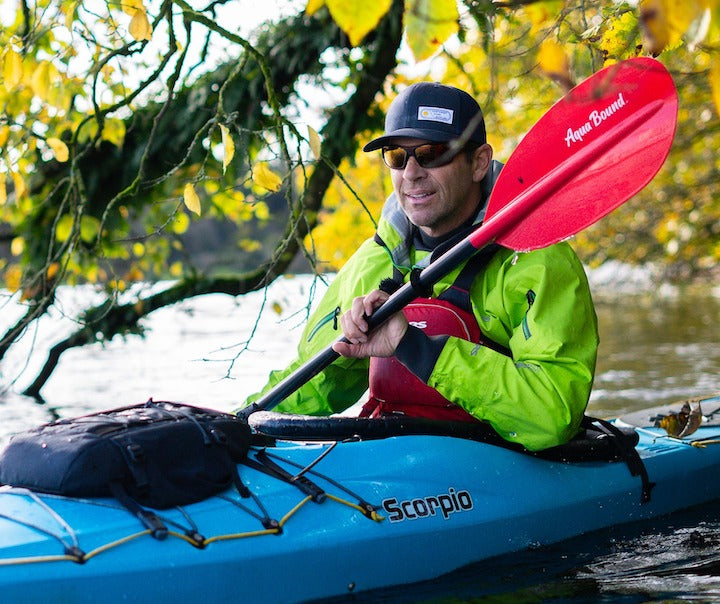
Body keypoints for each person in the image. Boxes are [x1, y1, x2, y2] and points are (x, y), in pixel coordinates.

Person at [242, 82, 599, 451]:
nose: (411, 173)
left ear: (478, 162)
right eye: (397, 156)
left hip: (496, 471)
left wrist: (415, 346)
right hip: (395, 474)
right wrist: (235, 425)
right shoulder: (374, 261)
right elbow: (310, 384)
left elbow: (552, 416)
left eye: (432, 152)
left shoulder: (533, 259)